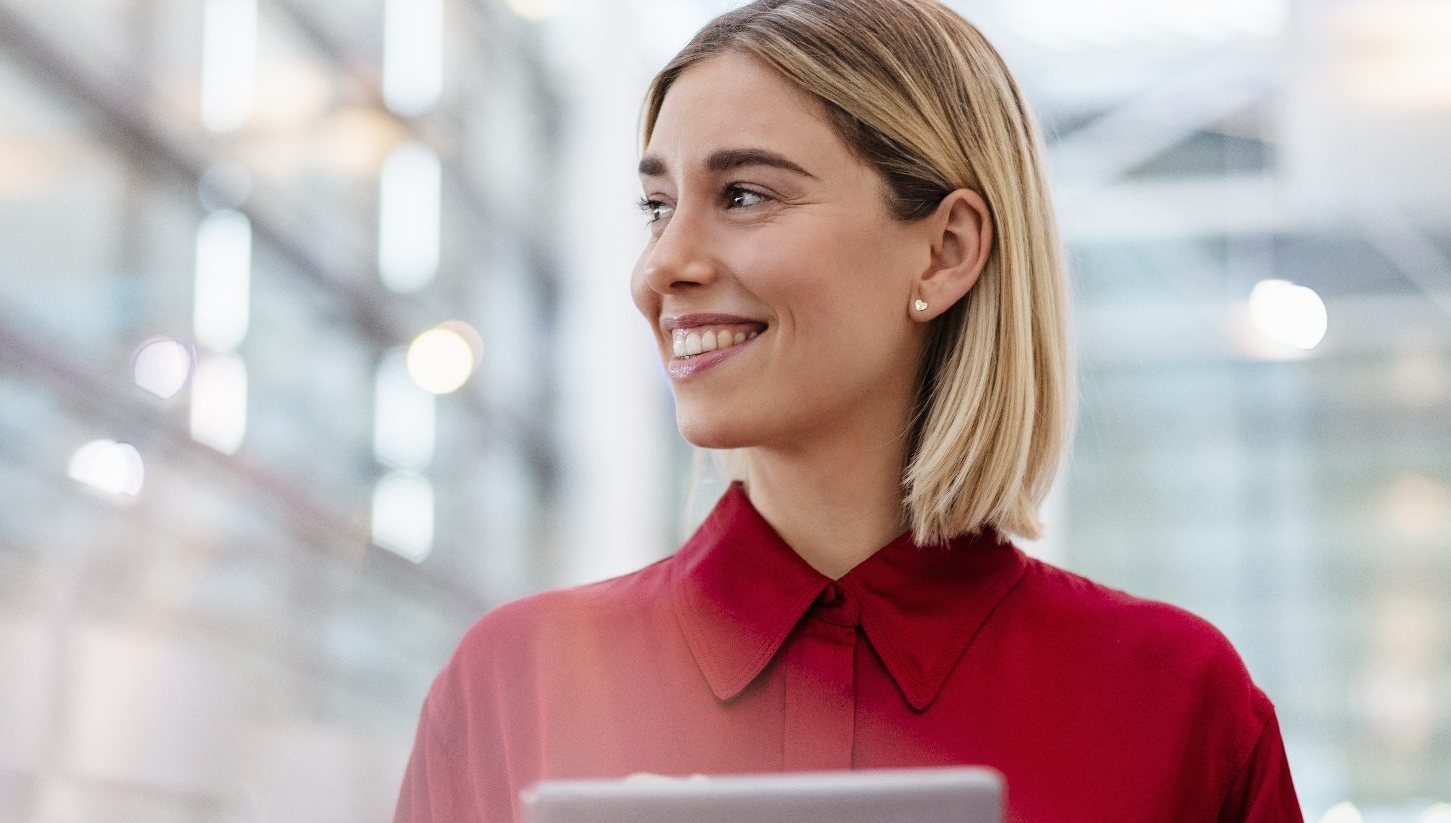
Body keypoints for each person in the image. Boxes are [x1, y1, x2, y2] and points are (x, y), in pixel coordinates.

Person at [394, 0, 1304, 820]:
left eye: (744, 194)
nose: (660, 267)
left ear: (946, 251)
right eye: (658, 205)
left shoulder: (1176, 706)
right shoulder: (514, 688)